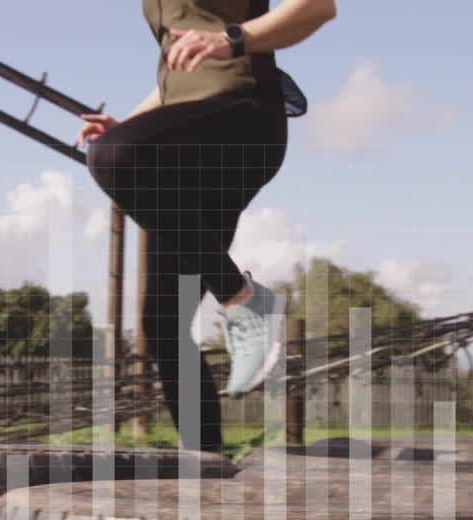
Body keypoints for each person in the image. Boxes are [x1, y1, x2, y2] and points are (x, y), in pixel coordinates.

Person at [80, 0, 335, 454]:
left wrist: (232, 38)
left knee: (113, 157)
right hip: (192, 137)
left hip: (240, 121)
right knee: (163, 321)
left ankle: (242, 299)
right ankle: (206, 465)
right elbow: (183, 74)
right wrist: (131, 124)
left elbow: (318, 8)